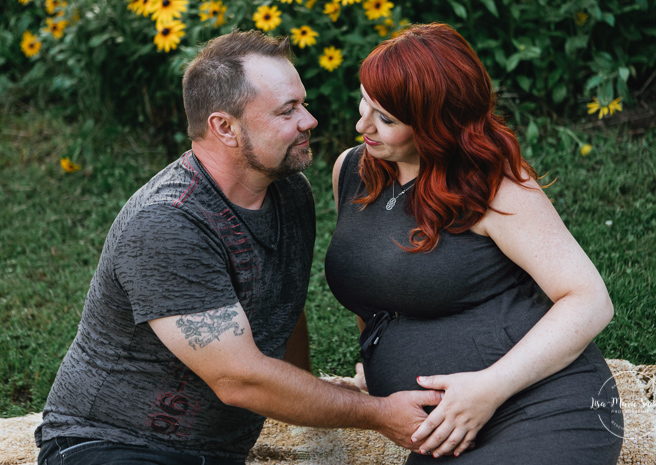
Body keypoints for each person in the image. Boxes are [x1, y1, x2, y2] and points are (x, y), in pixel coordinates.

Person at [34, 29, 443, 465]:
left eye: (302, 103)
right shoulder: (169, 222)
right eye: (288, 111)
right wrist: (380, 413)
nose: (310, 121)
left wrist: (304, 387)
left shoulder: (289, 191)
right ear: (224, 127)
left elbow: (282, 302)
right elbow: (239, 380)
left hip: (215, 453)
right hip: (110, 444)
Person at [325, 22, 624, 464]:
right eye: (364, 105)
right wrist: (375, 357)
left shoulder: (493, 187)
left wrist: (488, 388)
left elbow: (589, 301)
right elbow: (368, 283)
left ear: (434, 123)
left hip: (541, 406)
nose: (361, 125)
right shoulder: (352, 170)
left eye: (385, 119)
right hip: (446, 427)